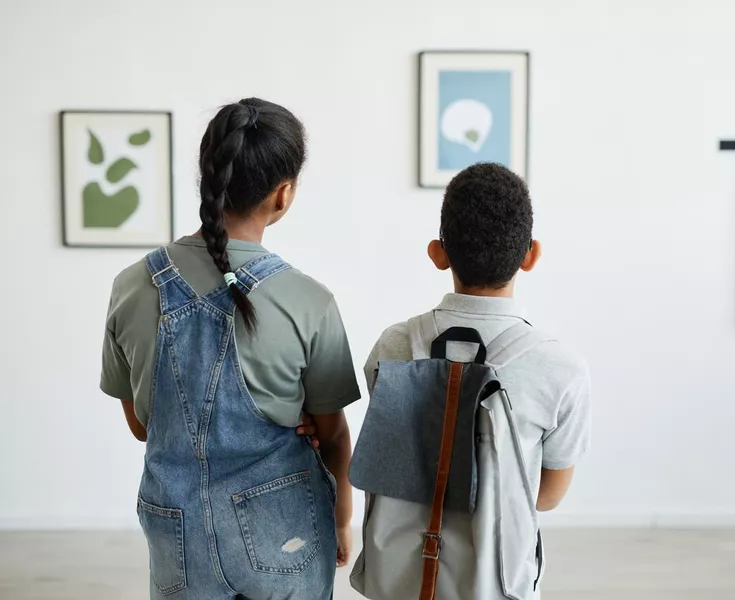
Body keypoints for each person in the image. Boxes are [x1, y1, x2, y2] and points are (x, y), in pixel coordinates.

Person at [100, 98, 359, 600]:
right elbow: (333, 436)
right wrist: (343, 519)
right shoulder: (310, 301)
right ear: (282, 195)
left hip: (176, 531)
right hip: (284, 531)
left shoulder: (132, 286)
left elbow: (141, 425)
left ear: (207, 175)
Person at [352, 163, 591, 599]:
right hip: (494, 584)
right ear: (531, 254)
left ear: (438, 253)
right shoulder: (560, 367)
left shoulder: (394, 346)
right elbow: (546, 495)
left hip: (400, 580)